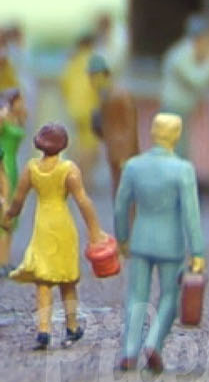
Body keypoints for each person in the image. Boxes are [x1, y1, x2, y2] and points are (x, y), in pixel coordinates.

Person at [4, 122, 111, 350]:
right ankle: (71, 326)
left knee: (43, 280)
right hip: (62, 225)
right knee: (66, 279)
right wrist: (95, 230)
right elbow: (83, 202)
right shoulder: (68, 170)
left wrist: (9, 216)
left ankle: (44, 329)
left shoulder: (32, 169)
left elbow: (18, 200)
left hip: (43, 225)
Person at [113, 112, 205, 373]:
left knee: (136, 297)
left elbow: (121, 206)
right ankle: (153, 343)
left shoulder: (133, 166)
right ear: (176, 136)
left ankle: (129, 351)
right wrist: (197, 251)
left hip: (141, 240)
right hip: (170, 244)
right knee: (169, 297)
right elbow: (191, 214)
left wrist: (122, 238)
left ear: (153, 133)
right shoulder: (183, 170)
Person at [159, 16, 209, 160]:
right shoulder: (182, 54)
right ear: (199, 39)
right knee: (177, 154)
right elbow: (197, 80)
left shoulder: (193, 54)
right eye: (208, 40)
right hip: (174, 110)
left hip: (183, 110)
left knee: (182, 153)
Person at [89, 54, 140, 200]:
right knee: (117, 190)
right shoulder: (105, 97)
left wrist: (127, 154)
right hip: (113, 151)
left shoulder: (119, 95)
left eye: (95, 76)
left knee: (125, 192)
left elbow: (130, 127)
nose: (92, 82)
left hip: (122, 152)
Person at [61, 34, 101, 186]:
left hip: (74, 108)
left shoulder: (72, 61)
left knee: (78, 142)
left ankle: (74, 175)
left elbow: (63, 84)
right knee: (90, 143)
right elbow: (102, 85)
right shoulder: (95, 61)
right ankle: (85, 178)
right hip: (90, 107)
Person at [0, 87, 25, 272]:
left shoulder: (17, 118)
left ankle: (5, 260)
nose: (21, 104)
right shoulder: (3, 118)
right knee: (4, 210)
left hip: (13, 164)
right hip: (4, 163)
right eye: (19, 101)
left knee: (11, 215)